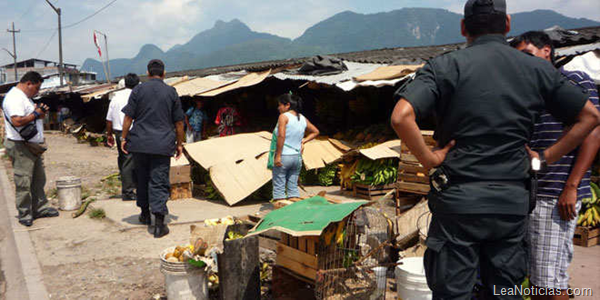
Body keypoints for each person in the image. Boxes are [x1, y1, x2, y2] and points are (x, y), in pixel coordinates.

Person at [389, 0, 600, 299]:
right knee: (504, 290)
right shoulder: (536, 69)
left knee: (453, 292)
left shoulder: (444, 66)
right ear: (508, 24)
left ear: (463, 28)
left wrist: (429, 159)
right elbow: (590, 117)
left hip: (458, 204)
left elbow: (400, 116)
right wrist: (545, 157)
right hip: (510, 204)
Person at [511, 31, 600, 300]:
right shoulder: (529, 92)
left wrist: (571, 187)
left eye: (528, 54)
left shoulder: (570, 80)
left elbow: (593, 132)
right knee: (541, 278)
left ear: (547, 51)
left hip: (555, 195)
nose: (523, 63)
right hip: (533, 194)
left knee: (548, 282)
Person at [121, 59, 185, 238]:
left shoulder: (138, 90)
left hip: (140, 144)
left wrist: (124, 138)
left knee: (141, 178)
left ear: (148, 74)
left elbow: (128, 118)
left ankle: (144, 214)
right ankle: (159, 225)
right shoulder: (171, 92)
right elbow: (179, 122)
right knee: (158, 181)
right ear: (164, 74)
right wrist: (179, 144)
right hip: (162, 145)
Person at [3, 71, 59, 227]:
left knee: (38, 179)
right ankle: (25, 213)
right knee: (24, 181)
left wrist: (39, 113)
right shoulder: (14, 98)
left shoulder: (25, 98)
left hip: (32, 146)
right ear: (28, 83)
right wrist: (36, 113)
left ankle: (40, 207)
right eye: (36, 88)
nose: (37, 92)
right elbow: (17, 121)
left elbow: (28, 116)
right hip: (21, 146)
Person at [271, 93, 319, 200]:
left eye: (280, 105)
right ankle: (294, 213)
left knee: (279, 188)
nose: (278, 108)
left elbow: (281, 136)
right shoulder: (302, 118)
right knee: (293, 188)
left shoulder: (283, 117)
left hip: (284, 156)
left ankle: (281, 212)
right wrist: (303, 141)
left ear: (287, 105)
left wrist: (278, 155)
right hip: (297, 157)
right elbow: (315, 132)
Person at [106, 73, 140, 201]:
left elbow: (109, 119)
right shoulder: (136, 96)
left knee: (123, 159)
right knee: (131, 161)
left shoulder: (115, 97)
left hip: (118, 131)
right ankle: (128, 191)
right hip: (132, 131)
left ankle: (129, 186)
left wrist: (109, 134)